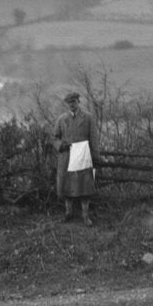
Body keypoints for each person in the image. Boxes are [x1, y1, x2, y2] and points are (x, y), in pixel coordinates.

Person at [53, 92, 99, 225]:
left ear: (79, 102)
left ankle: (85, 216)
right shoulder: (61, 119)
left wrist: (95, 156)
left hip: (83, 155)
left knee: (85, 186)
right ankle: (68, 213)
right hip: (67, 156)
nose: (71, 105)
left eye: (74, 102)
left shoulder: (88, 118)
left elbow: (94, 139)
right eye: (69, 103)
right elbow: (54, 137)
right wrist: (61, 145)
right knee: (67, 185)